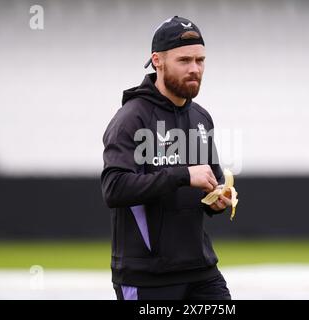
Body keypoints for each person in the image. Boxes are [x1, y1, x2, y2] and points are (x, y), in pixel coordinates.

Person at [101, 16, 233, 300]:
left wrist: (218, 199)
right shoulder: (131, 118)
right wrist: (183, 175)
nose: (194, 69)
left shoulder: (201, 117)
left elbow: (211, 181)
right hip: (148, 277)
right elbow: (114, 189)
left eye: (200, 60)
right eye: (184, 60)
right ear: (157, 61)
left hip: (201, 270)